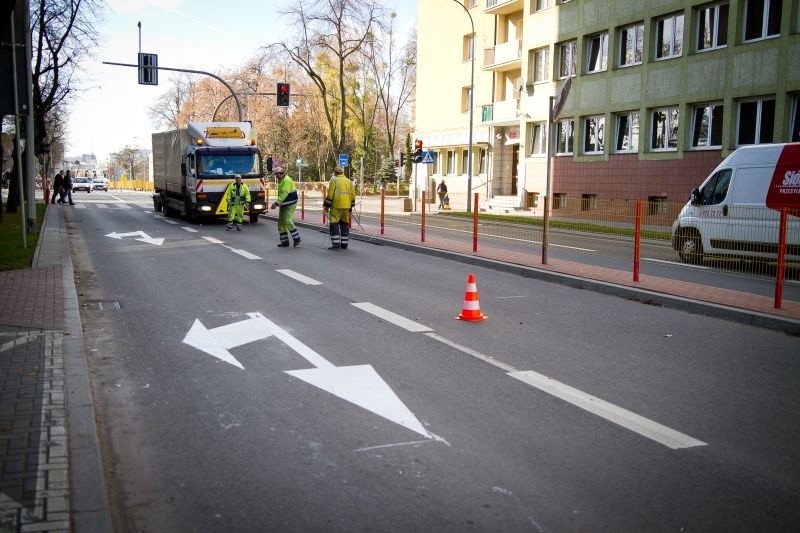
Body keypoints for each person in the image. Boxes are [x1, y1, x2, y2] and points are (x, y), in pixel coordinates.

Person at [323, 166, 356, 250]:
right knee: (345, 225)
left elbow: (330, 194)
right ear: (342, 173)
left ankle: (335, 244)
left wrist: (326, 206)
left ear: (335, 173)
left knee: (334, 224)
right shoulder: (349, 181)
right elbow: (353, 195)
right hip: (346, 206)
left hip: (336, 206)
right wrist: (350, 208)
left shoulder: (334, 180)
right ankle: (344, 244)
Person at [270, 166, 301, 247]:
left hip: (290, 203)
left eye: (276, 175)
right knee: (281, 223)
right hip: (284, 204)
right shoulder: (282, 180)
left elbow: (284, 193)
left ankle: (297, 239)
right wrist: (278, 203)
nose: (276, 177)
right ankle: (285, 242)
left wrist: (276, 203)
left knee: (287, 220)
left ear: (279, 174)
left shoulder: (287, 180)